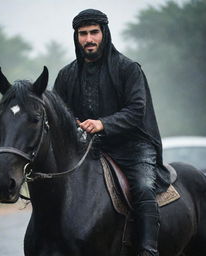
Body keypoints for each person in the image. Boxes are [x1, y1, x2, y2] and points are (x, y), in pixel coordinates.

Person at [53, 9, 171, 256]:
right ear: (76, 37)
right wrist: (73, 122)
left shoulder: (128, 69)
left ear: (104, 33)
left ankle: (148, 249)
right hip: (90, 149)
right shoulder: (65, 75)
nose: (89, 39)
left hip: (134, 147)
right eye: (82, 33)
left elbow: (137, 110)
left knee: (142, 186)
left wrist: (102, 123)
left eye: (94, 32)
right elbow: (60, 114)